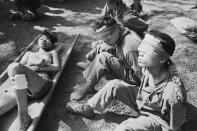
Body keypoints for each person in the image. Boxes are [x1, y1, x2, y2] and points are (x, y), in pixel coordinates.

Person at [67, 30, 187, 131]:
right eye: (141, 48)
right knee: (115, 85)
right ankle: (89, 108)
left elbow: (175, 127)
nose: (140, 52)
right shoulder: (148, 67)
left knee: (124, 128)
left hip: (158, 119)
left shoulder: (173, 92)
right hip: (144, 102)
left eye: (147, 51)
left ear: (161, 59)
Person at [0, 30, 60, 131]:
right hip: (19, 87)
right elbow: (20, 67)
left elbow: (57, 67)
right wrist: (33, 65)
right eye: (42, 38)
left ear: (52, 44)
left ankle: (24, 117)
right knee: (14, 67)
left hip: (39, 81)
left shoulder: (52, 52)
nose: (44, 40)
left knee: (14, 67)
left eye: (47, 39)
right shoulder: (28, 53)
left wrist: (38, 68)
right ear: (37, 42)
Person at [71, 16, 142, 101]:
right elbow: (107, 40)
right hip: (128, 63)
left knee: (103, 57)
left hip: (135, 78)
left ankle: (89, 87)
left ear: (116, 29)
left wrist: (136, 91)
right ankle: (91, 66)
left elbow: (140, 75)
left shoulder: (129, 48)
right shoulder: (121, 31)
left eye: (108, 35)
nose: (106, 39)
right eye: (102, 36)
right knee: (103, 45)